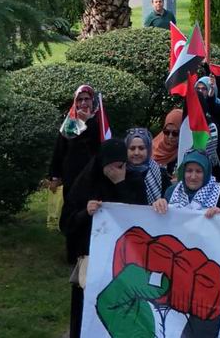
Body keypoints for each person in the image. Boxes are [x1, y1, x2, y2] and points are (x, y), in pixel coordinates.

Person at [60, 139, 146, 338]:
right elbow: (66, 224)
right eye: (112, 167)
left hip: (123, 261)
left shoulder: (133, 180)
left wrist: (120, 184)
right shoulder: (86, 183)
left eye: (121, 166)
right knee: (86, 312)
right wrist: (85, 213)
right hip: (91, 259)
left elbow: (139, 218)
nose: (117, 170)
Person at [51, 85, 102, 200]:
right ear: (75, 102)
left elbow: (100, 144)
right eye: (80, 99)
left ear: (92, 100)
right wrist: (55, 175)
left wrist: (87, 122)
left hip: (92, 174)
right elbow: (60, 149)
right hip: (71, 175)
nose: (83, 103)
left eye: (87, 99)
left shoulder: (99, 120)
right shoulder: (69, 123)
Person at [152, 150, 220, 214]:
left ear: (206, 173)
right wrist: (159, 205)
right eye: (189, 171)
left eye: (199, 171)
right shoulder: (171, 192)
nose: (193, 177)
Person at [123, 128, 169, 205]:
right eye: (132, 148)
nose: (136, 153)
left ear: (148, 150)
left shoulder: (160, 173)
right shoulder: (120, 172)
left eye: (141, 148)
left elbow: (169, 200)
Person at [151, 109, 182, 174]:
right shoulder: (152, 148)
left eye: (175, 133)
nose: (170, 137)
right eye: (166, 132)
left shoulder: (186, 151)